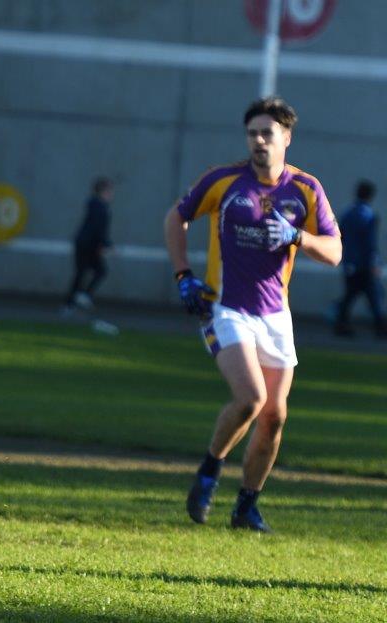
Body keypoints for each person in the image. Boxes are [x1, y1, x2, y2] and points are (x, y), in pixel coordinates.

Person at [162, 97, 341, 533]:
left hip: (276, 316)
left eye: (268, 133)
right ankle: (209, 470)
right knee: (251, 399)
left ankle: (246, 506)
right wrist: (183, 274)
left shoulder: (306, 189)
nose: (258, 141)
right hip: (225, 308)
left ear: (287, 138)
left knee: (275, 415)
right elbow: (177, 217)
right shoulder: (225, 181)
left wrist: (298, 236)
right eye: (252, 133)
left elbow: (335, 252)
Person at [333, 179, 385, 337]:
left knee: (351, 295)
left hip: (350, 263)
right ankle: (381, 328)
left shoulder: (347, 213)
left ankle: (341, 324)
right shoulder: (368, 216)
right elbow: (370, 244)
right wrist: (375, 263)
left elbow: (340, 236)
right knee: (373, 296)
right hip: (364, 264)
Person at [64, 177, 114, 311]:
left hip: (87, 244)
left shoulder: (98, 205)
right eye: (109, 190)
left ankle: (74, 301)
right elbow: (98, 229)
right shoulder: (99, 207)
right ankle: (75, 301)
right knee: (89, 272)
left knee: (86, 272)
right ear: (103, 191)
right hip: (86, 245)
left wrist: (104, 244)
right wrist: (106, 245)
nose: (111, 194)